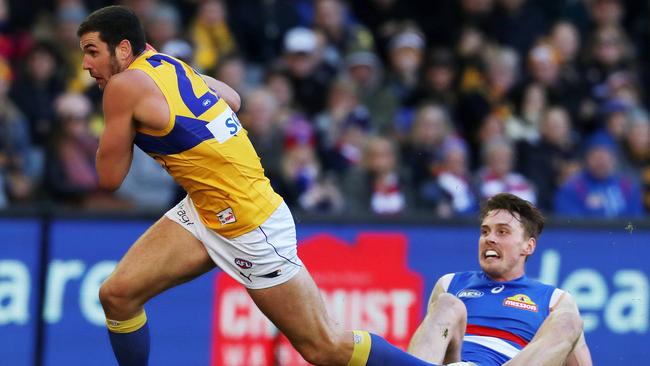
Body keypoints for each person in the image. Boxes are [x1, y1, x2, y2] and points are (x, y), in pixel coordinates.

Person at [77, 6, 437, 366]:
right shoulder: (166, 62)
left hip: (249, 224)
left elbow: (109, 179)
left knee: (325, 347)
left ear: (123, 49)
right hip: (207, 207)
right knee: (118, 294)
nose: (86, 65)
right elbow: (233, 99)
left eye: (93, 51)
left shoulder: (122, 86)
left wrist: (123, 124)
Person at [408, 193, 593, 366]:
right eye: (485, 231)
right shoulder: (450, 283)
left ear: (528, 246)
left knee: (569, 319)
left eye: (502, 232)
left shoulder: (555, 299)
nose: (489, 239)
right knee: (447, 304)